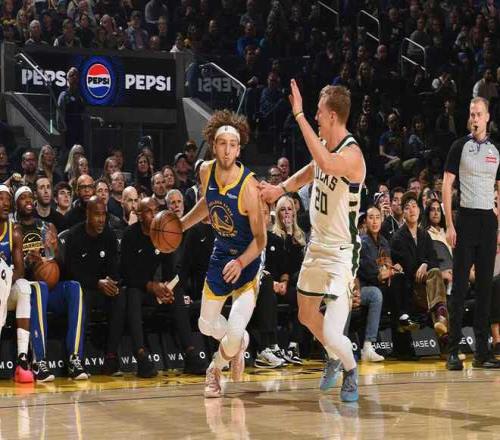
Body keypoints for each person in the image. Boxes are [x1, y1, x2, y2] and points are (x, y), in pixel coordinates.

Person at [260, 81, 365, 402]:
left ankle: (350, 369)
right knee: (306, 315)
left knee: (332, 331)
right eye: (314, 112)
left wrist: (299, 115)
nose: (316, 117)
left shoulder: (352, 156)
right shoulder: (323, 145)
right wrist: (280, 189)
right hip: (316, 246)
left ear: (332, 116)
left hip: (341, 253)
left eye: (319, 112)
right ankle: (334, 354)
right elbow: (312, 168)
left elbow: (328, 163)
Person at [179, 110, 266, 398]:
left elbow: (261, 239)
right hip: (220, 255)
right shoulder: (206, 171)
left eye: (233, 145)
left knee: (233, 331)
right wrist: (181, 225)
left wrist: (241, 262)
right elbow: (208, 203)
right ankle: (239, 343)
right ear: (213, 146)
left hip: (247, 260)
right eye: (222, 144)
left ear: (239, 149)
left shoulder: (249, 187)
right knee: (205, 324)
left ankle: (215, 369)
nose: (227, 150)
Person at [443, 97, 500, 370]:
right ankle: (452, 352)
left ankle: (482, 353)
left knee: (486, 289)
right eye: (471, 114)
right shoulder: (459, 146)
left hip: (488, 222)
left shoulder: (496, 150)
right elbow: (446, 186)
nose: (474, 118)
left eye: (478, 114)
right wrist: (449, 224)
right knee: (460, 288)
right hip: (465, 219)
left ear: (487, 117)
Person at [14, 186, 87, 382]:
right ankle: (39, 361)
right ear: (16, 204)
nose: (27, 200)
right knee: (40, 287)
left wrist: (55, 250)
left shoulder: (48, 227)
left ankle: (75, 359)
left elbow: (62, 264)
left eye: (30, 197)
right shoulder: (14, 230)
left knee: (74, 287)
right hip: (28, 289)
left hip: (51, 287)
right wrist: (28, 262)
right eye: (22, 198)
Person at [64, 196, 127, 375]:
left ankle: (111, 357)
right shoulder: (74, 236)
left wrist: (112, 282)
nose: (101, 219)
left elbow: (113, 268)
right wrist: (96, 283)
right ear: (87, 214)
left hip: (102, 288)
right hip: (83, 288)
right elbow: (70, 272)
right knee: (81, 296)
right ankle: (77, 358)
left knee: (120, 296)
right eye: (96, 215)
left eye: (103, 215)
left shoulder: (109, 235)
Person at [0, 185, 34, 383]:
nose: (5, 203)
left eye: (8, 199)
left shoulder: (14, 232)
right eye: (1, 199)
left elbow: (20, 270)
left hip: (5, 291)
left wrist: (4, 279)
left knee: (23, 287)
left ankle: (22, 359)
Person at [57, 67, 85, 152]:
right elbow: (59, 115)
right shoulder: (64, 95)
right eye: (72, 75)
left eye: (76, 75)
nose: (74, 77)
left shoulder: (80, 97)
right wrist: (62, 132)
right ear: (68, 78)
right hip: (67, 132)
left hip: (79, 131)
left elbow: (84, 113)